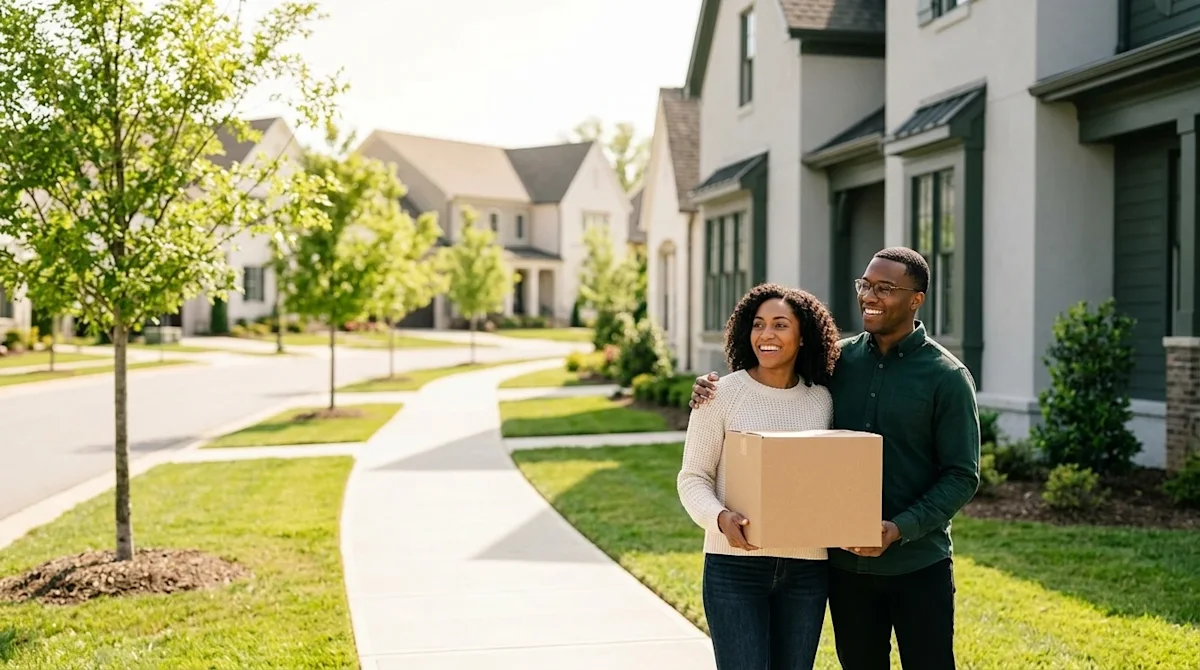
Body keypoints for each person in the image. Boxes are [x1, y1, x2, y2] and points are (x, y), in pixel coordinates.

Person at [688, 247, 981, 670]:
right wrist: (707, 390)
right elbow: (773, 379)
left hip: (917, 563)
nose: (869, 296)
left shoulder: (947, 377)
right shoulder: (836, 364)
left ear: (916, 299)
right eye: (865, 285)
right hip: (844, 571)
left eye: (885, 288)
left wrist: (899, 528)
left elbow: (962, 475)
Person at [677, 283, 842, 670]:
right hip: (734, 567)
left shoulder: (822, 401)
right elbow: (693, 477)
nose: (766, 334)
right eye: (758, 324)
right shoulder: (720, 394)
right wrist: (720, 518)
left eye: (780, 325)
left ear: (804, 336)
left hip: (806, 569)